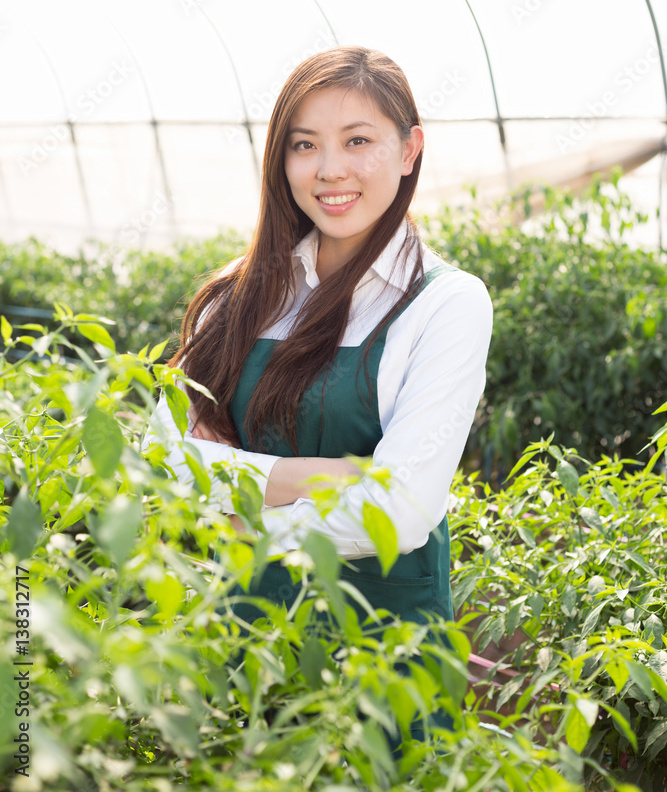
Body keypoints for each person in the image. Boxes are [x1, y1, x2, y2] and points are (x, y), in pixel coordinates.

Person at [142, 44, 493, 753]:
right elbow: (157, 461)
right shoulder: (235, 296)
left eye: (357, 141)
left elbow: (397, 513)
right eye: (304, 145)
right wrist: (309, 478)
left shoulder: (445, 304)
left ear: (408, 151)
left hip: (378, 648)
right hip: (237, 633)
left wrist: (235, 516)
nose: (330, 169)